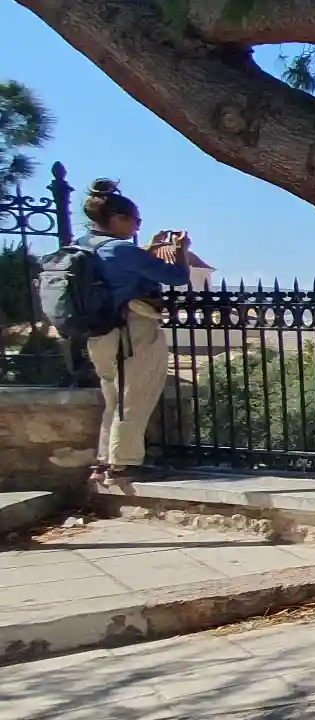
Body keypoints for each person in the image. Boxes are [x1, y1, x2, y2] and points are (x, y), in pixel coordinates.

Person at [78, 178, 200, 493]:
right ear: (117, 218)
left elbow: (115, 274)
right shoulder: (123, 250)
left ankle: (104, 462)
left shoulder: (82, 245)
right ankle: (124, 466)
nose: (137, 226)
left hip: (98, 334)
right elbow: (177, 276)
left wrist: (147, 250)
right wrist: (181, 251)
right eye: (135, 220)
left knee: (113, 397)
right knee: (136, 396)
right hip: (132, 331)